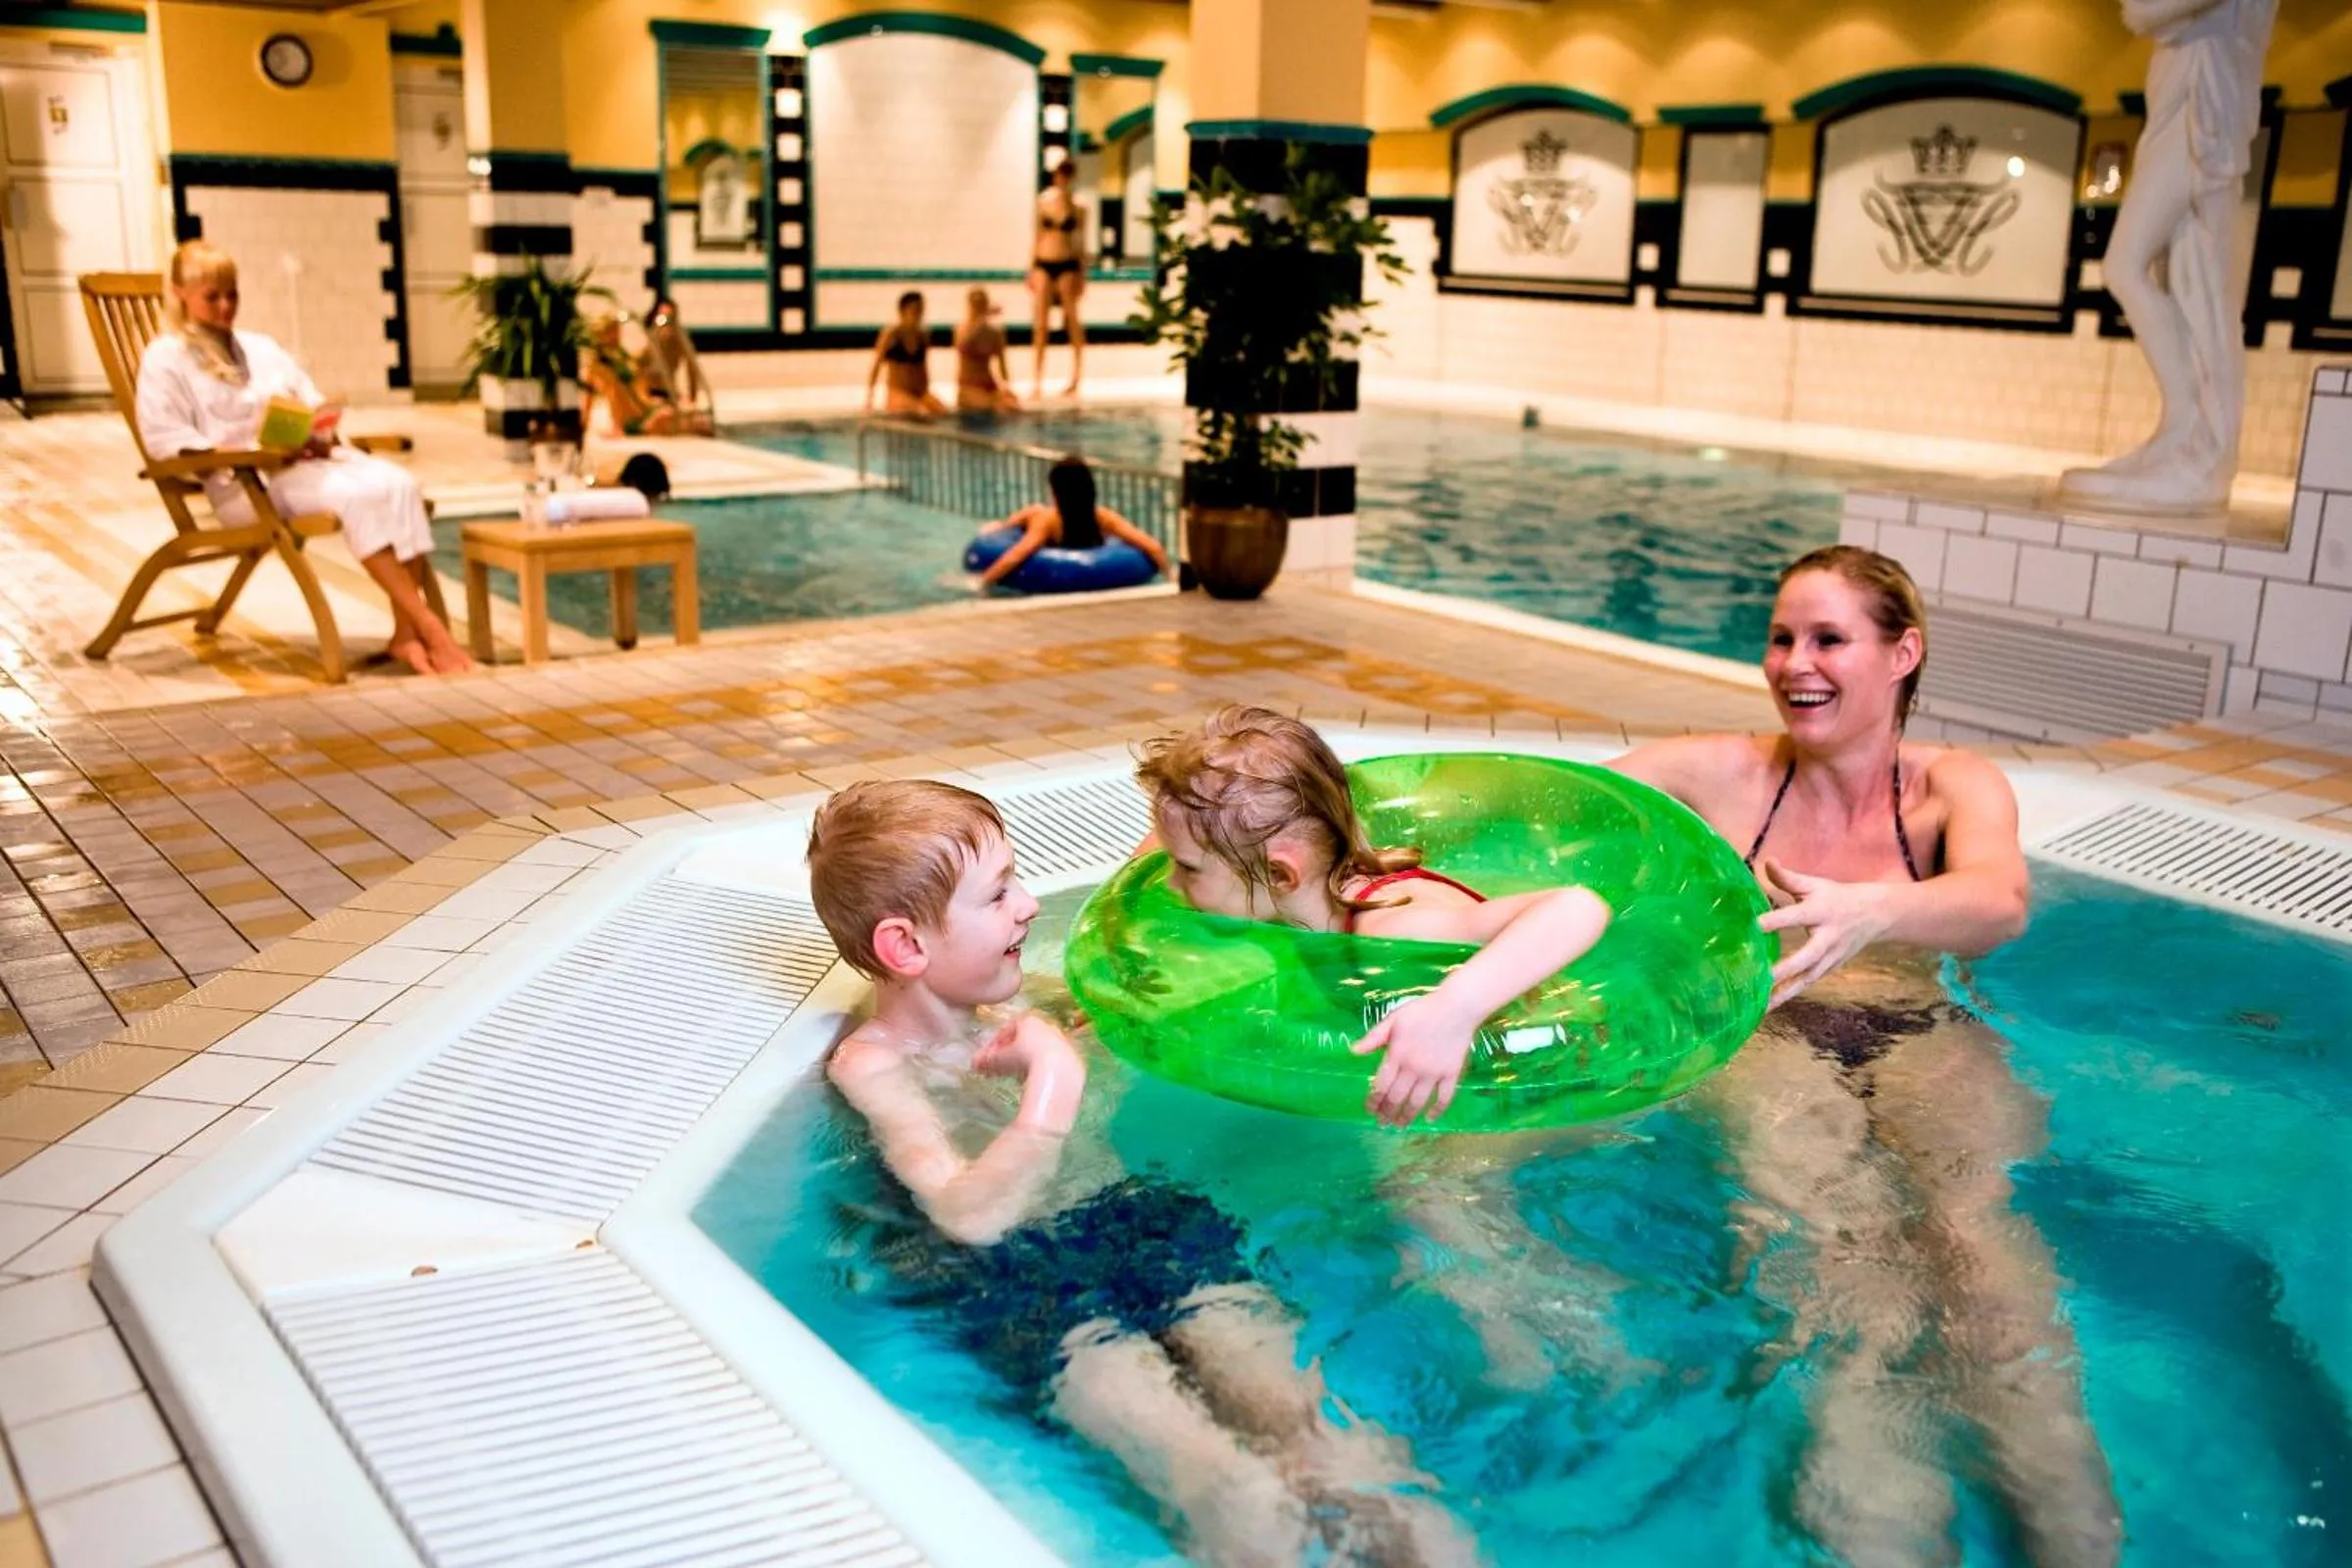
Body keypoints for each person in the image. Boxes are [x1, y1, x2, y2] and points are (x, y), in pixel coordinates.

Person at [808, 780, 1473, 1567]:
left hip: (1138, 1223)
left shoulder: (1035, 1005)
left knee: (1324, 1430)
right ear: (906, 948)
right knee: (1219, 1477)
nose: (1028, 906)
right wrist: (1052, 1081)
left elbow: (1151, 937)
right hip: (1023, 1284)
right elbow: (967, 1215)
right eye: (999, 894)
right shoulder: (876, 1065)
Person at [1612, 546, 2119, 1566]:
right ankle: (1883, 1528)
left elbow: (1999, 904)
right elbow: (1550, 817)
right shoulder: (1723, 772)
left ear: (1902, 654)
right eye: (1782, 636)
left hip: (1916, 1032)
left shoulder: (1948, 787)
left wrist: (1874, 909)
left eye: (1829, 638)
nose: (1796, 662)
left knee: (1984, 1260)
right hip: (1772, 1042)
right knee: (1840, 1276)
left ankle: (2072, 1537)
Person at [1134, 705, 1612, 1129]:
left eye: (1187, 868)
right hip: (1495, 1061)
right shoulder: (1294, 901)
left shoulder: (1395, 929)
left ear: (1280, 876)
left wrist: (1454, 1010)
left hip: (1561, 1071)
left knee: (1416, 1197)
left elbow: (1578, 905)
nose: (1172, 884)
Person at [136, 240, 471, 677]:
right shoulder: (166, 359)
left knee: (399, 483)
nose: (226, 306)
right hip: (244, 487)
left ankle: (405, 634)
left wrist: (316, 431)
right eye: (212, 296)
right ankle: (430, 628)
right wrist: (248, 452)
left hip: (298, 466)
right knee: (355, 497)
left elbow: (309, 401)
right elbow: (167, 439)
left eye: (232, 294)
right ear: (180, 293)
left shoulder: (260, 347)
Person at [2059, 0, 2276, 513]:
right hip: (2179, 106)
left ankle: (2198, 443)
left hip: (2204, 118)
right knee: (2179, 275)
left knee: (2129, 266)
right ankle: (2180, 436)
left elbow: (2143, 11)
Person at [974, 457, 1171, 590]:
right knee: (1034, 510)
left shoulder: (1047, 521)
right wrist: (1171, 578)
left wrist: (983, 582)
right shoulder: (1102, 517)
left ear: (1055, 492)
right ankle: (1000, 527)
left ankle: (1000, 526)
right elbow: (1152, 546)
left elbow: (1016, 555)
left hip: (1050, 547)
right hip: (1085, 552)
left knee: (1034, 510)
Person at [1029, 159, 1088, 399]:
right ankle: (1037, 380)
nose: (1063, 180)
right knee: (1041, 323)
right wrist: (1031, 267)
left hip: (1067, 263)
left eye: (1067, 176)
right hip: (1044, 262)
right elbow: (1037, 235)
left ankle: (1076, 378)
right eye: (1060, 175)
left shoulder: (1079, 206)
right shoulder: (1043, 201)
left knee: (1072, 320)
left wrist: (1083, 275)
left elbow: (1081, 242)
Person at [865, 291, 945, 417]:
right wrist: (869, 398)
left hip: (919, 393)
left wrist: (927, 393)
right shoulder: (891, 334)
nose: (919, 315)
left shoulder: (923, 335)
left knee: (943, 412)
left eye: (921, 310)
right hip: (898, 393)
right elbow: (877, 365)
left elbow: (923, 367)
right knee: (922, 413)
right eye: (915, 310)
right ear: (902, 311)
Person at [954, 287, 1020, 415]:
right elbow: (963, 344)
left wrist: (1006, 388)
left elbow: (1002, 364)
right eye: (976, 305)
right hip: (969, 388)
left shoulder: (994, 333)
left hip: (990, 386)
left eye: (981, 304)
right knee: (998, 408)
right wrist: (982, 318)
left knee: (1013, 407)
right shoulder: (961, 329)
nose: (978, 308)